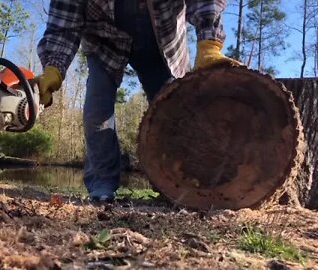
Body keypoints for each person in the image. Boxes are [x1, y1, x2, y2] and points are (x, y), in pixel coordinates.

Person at [37, 0, 239, 202]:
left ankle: (180, 184)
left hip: (162, 41)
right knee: (97, 111)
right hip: (104, 42)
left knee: (174, 116)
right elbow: (64, 22)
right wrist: (54, 66)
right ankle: (101, 186)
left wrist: (209, 42)